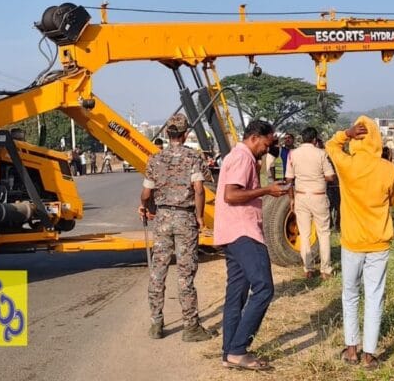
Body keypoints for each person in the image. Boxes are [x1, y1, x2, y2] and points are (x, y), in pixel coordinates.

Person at [325, 116, 394, 371]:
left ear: (357, 138)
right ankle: (370, 355)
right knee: (374, 297)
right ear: (377, 139)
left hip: (352, 242)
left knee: (350, 295)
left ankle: (351, 350)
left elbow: (330, 146)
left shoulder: (347, 164)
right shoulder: (389, 169)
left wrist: (344, 134)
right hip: (379, 242)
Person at [214, 120, 289, 371]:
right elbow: (231, 195)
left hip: (232, 232)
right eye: (266, 145)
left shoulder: (238, 156)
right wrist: (267, 189)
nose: (267, 150)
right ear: (255, 138)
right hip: (243, 232)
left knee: (237, 293)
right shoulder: (243, 157)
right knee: (264, 288)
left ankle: (229, 352)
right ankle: (237, 349)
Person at [139, 113, 215, 342]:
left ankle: (156, 324)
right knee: (185, 273)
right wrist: (200, 217)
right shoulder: (193, 157)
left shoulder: (155, 159)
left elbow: (145, 193)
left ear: (166, 134)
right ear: (185, 134)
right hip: (185, 219)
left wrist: (144, 206)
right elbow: (200, 189)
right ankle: (190, 327)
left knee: (157, 272)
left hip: (162, 218)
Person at [285, 127, 336, 279]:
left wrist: (292, 198)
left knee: (305, 234)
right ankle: (325, 270)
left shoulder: (292, 154)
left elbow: (289, 179)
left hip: (301, 196)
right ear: (315, 139)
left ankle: (308, 269)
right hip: (318, 196)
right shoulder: (321, 153)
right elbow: (330, 177)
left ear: (301, 138)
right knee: (324, 233)